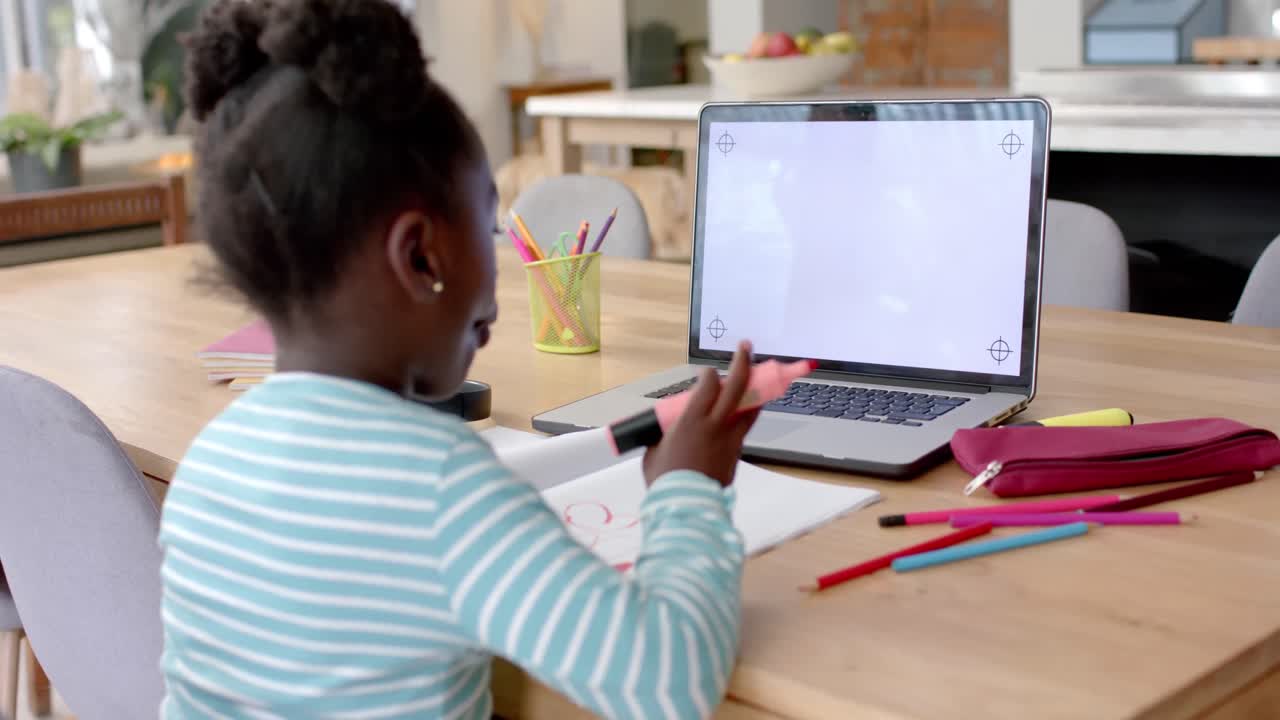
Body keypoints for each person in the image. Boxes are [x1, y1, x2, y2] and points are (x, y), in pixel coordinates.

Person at [158, 1, 762, 717]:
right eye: (490, 222)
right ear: (419, 254)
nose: (500, 256)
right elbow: (668, 681)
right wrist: (688, 489)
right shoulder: (446, 490)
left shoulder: (208, 463)